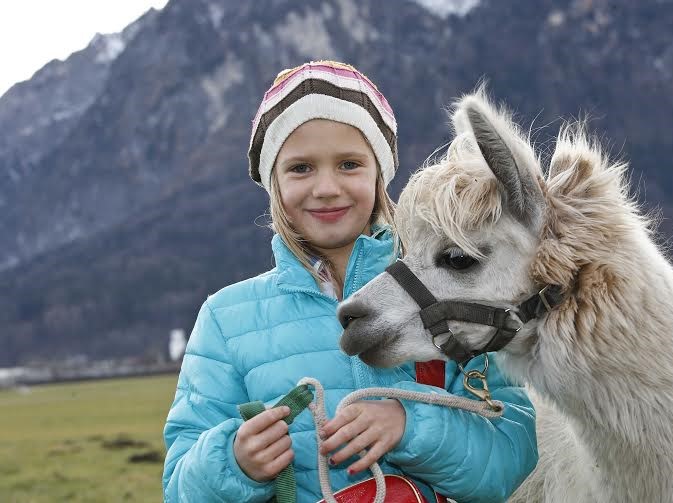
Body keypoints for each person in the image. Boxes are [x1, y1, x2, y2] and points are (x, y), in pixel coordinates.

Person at [162, 60, 538, 502]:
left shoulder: (450, 291)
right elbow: (180, 489)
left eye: (349, 164)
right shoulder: (226, 320)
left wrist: (409, 426)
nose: (325, 187)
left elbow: (509, 458)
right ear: (273, 184)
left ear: (379, 174)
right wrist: (234, 464)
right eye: (300, 168)